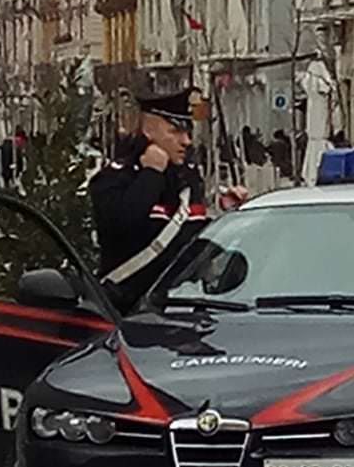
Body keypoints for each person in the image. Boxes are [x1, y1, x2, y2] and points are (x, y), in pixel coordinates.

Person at [90, 90, 246, 308]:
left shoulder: (187, 179)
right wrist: (151, 175)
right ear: (148, 130)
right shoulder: (116, 177)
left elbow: (194, 247)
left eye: (188, 132)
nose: (187, 141)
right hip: (124, 310)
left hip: (177, 310)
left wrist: (228, 216)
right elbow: (121, 224)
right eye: (175, 131)